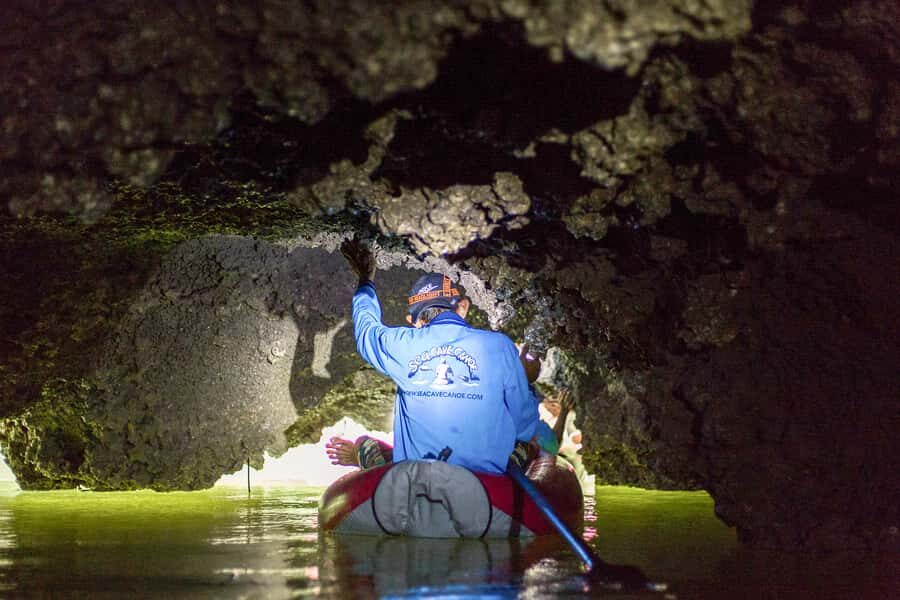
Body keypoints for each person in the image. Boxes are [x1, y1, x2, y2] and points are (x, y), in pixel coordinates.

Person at [327, 239, 538, 474]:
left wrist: (366, 279)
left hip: (416, 486)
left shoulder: (402, 343)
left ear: (414, 322)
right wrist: (526, 383)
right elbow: (525, 424)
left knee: (365, 445)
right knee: (524, 444)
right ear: (463, 307)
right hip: (483, 493)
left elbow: (366, 330)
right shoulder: (500, 347)